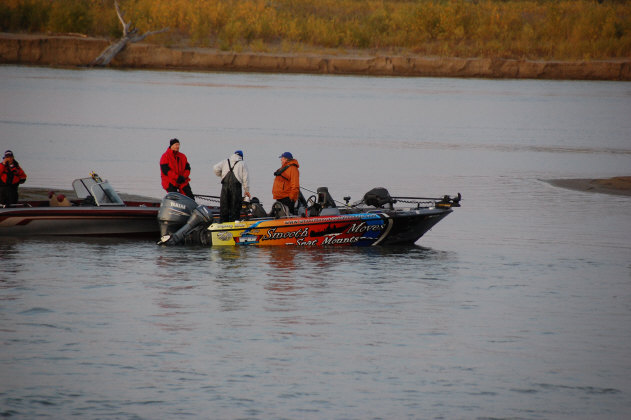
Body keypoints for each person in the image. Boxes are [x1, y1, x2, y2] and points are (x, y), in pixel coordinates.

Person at [213, 150, 251, 222]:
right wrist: (246, 190)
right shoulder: (242, 163)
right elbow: (246, 178)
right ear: (241, 156)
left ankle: (223, 223)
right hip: (236, 187)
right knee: (235, 206)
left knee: (224, 206)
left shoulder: (225, 161)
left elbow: (215, 168)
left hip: (225, 186)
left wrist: (221, 176)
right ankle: (234, 222)